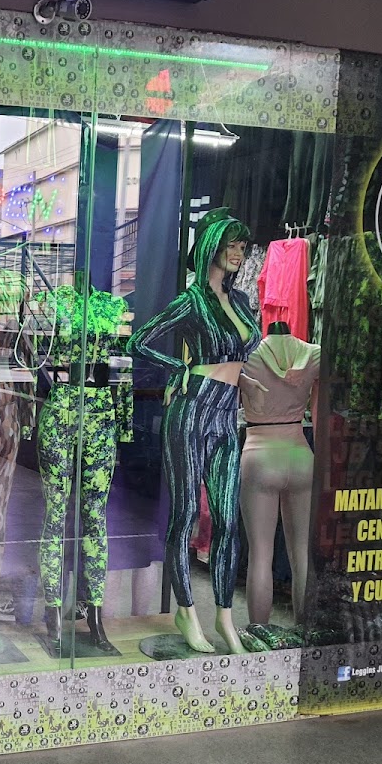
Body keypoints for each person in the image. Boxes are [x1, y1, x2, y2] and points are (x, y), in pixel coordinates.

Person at [128, 207, 261, 655]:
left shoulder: (241, 301)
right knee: (185, 514)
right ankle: (186, 610)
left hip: (227, 414)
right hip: (193, 408)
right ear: (211, 248)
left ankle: (225, 616)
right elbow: (139, 341)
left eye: (242, 246)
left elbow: (244, 355)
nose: (239, 253)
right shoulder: (191, 301)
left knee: (227, 520)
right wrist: (178, 368)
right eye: (231, 245)